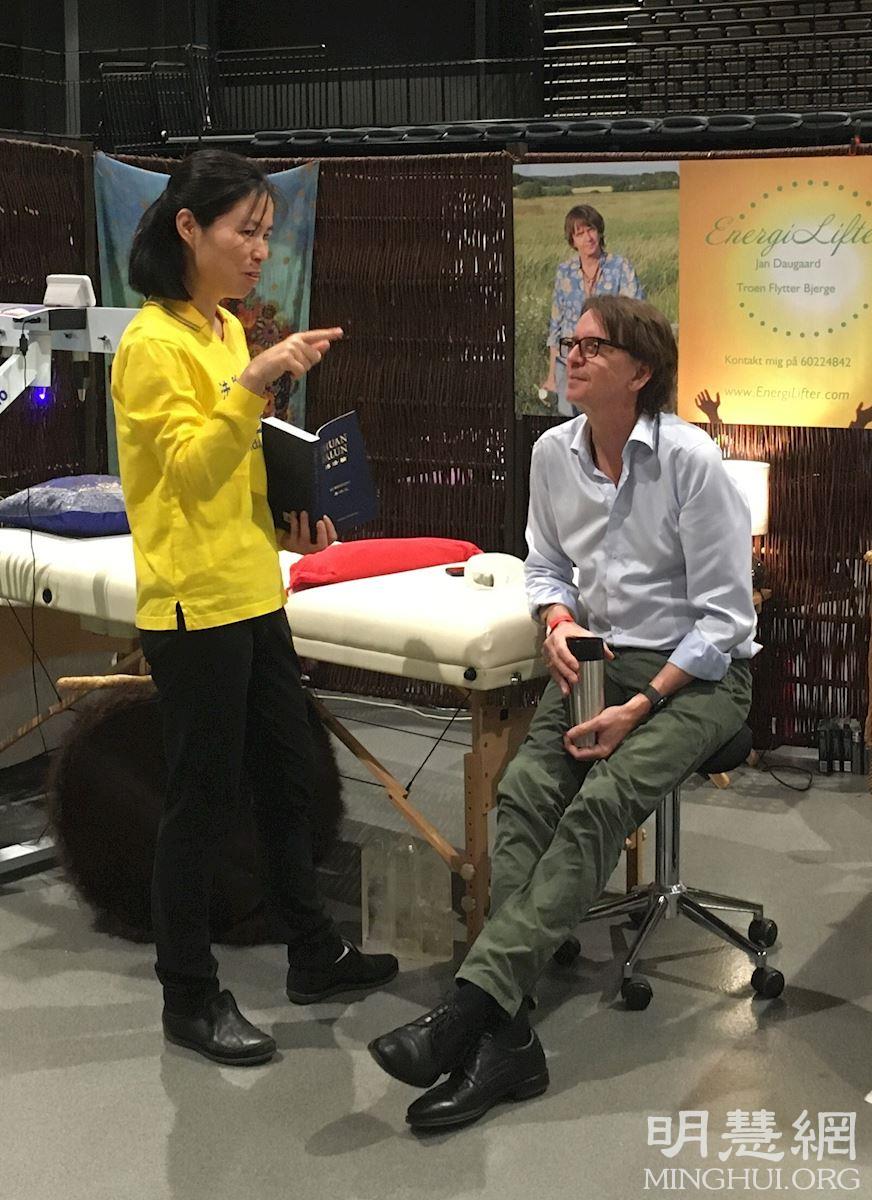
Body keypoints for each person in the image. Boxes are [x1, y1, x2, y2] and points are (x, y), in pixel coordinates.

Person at [369, 295, 757, 1131]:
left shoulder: (692, 461)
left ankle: (471, 1011)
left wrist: (641, 706)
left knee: (602, 802)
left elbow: (727, 622)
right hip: (596, 661)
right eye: (568, 342)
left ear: (640, 371)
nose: (571, 355)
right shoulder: (553, 454)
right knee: (521, 798)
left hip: (698, 676)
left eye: (592, 345)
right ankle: (507, 1034)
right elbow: (545, 564)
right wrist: (556, 622)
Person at [112, 149, 397, 1067]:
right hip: (192, 606)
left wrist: (290, 516)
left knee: (287, 772)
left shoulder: (226, 330)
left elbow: (237, 466)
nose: (260, 250)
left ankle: (312, 950)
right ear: (187, 228)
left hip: (253, 588)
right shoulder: (151, 345)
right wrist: (256, 379)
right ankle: (188, 995)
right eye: (246, 231)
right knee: (199, 800)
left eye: (267, 234)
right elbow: (191, 472)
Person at [540, 203, 646, 416]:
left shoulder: (621, 267)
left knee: (602, 420)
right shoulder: (564, 272)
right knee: (568, 422)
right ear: (572, 240)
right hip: (568, 361)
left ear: (599, 232)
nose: (588, 238)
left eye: (591, 230)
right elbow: (556, 324)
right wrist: (551, 376)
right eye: (580, 234)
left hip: (605, 362)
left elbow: (635, 318)